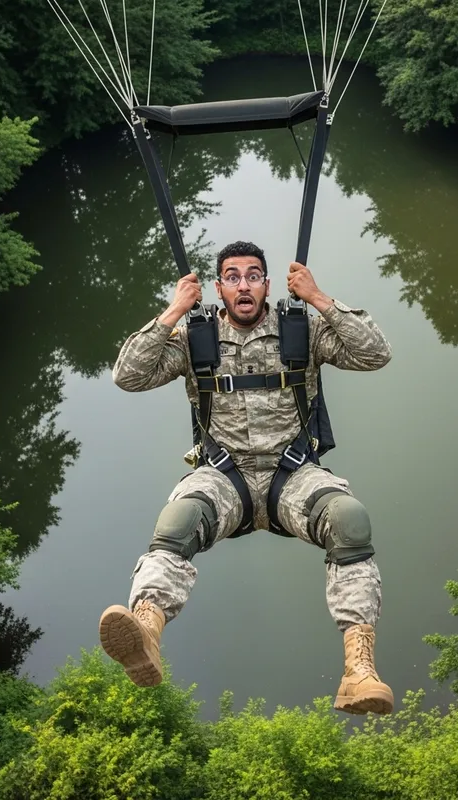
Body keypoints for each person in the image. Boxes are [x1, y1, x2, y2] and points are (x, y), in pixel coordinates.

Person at [99, 241, 394, 715]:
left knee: (349, 520)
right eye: (232, 277)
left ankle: (358, 671)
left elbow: (376, 353)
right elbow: (128, 376)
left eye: (253, 275)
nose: (243, 285)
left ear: (267, 285)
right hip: (225, 476)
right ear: (219, 288)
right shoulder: (198, 338)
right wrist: (174, 310)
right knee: (178, 521)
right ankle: (147, 630)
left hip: (291, 474)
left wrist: (319, 297)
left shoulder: (302, 331)